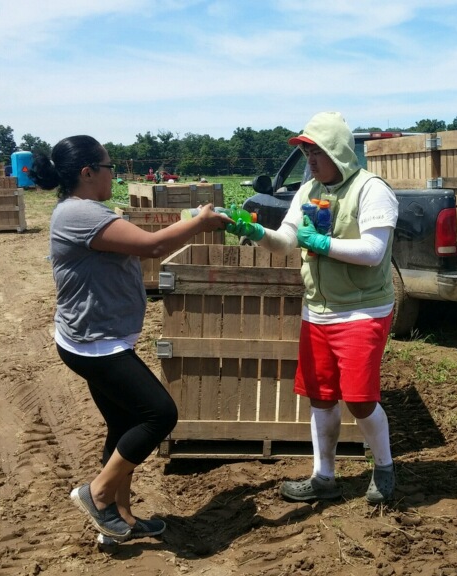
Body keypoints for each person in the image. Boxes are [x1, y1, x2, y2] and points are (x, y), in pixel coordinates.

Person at [29, 135, 232, 542]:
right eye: (109, 168)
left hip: (98, 339)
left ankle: (119, 518)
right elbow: (153, 247)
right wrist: (201, 221)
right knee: (159, 415)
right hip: (94, 344)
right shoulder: (79, 214)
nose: (113, 175)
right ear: (88, 173)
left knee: (123, 425)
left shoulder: (83, 211)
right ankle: (98, 494)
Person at [226, 112, 397, 505]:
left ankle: (384, 467)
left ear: (336, 150)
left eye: (315, 151)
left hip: (362, 309)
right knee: (321, 396)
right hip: (318, 309)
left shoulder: (371, 190)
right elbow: (287, 241)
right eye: (306, 152)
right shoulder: (308, 190)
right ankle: (324, 477)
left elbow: (373, 252)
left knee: (359, 399)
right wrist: (254, 233)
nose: (310, 160)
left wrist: (320, 244)